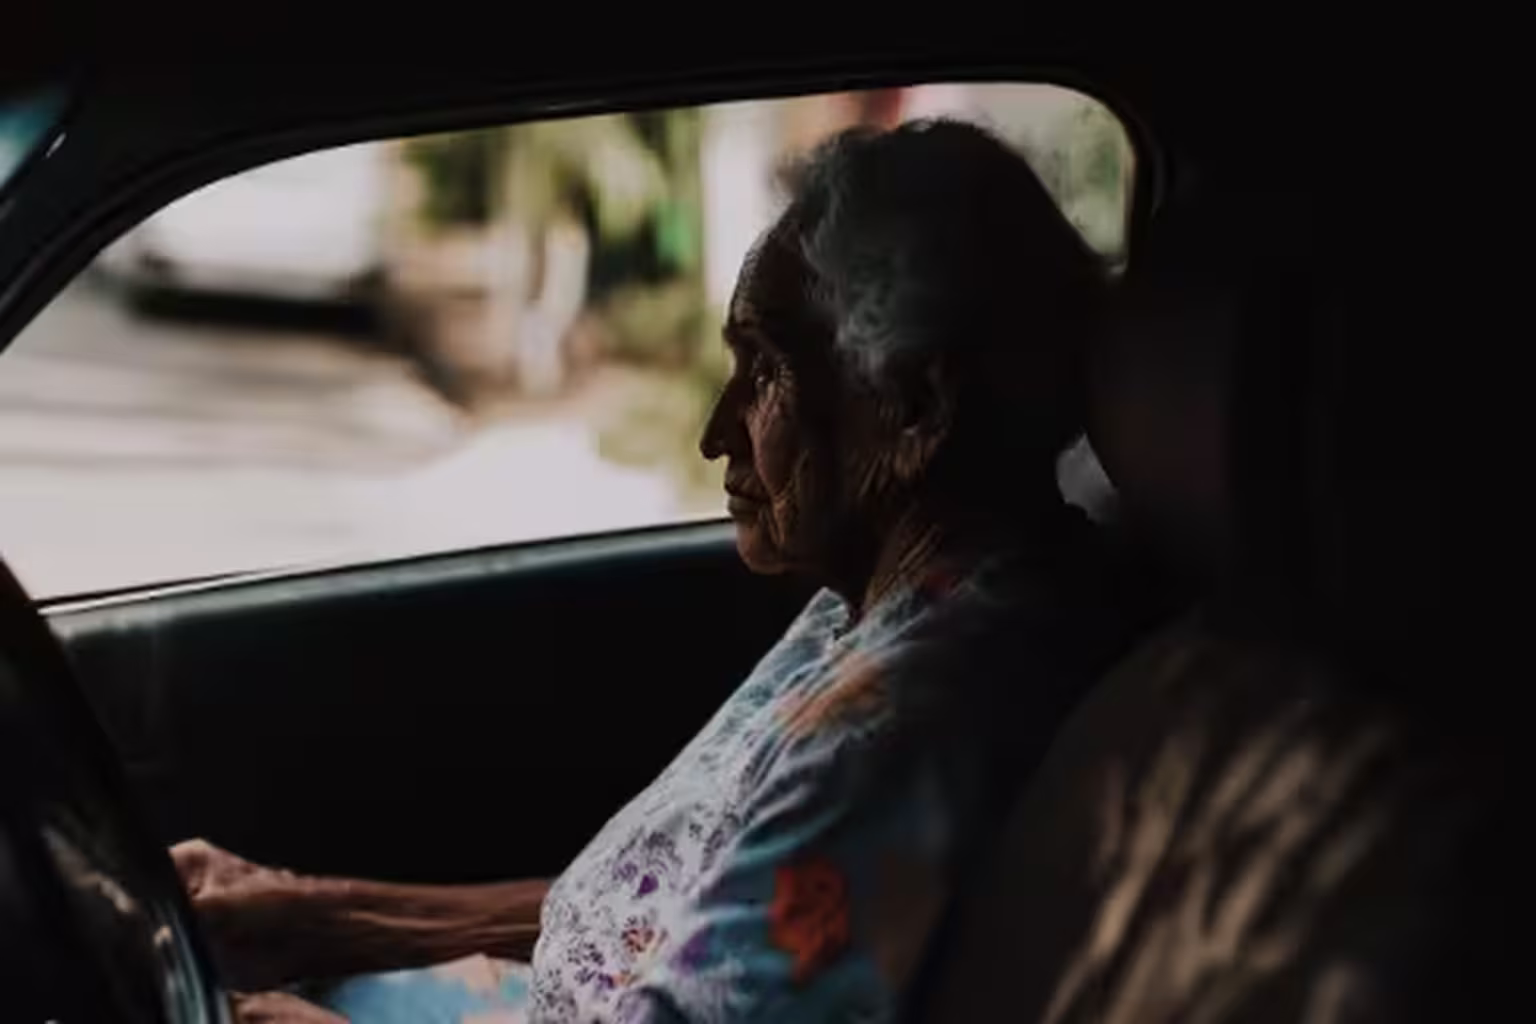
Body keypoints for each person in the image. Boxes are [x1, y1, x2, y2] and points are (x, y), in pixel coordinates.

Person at [175, 119, 1131, 1023]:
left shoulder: (908, 716)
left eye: (763, 370)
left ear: (916, 410)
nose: (717, 432)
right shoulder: (887, 608)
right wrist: (315, 912)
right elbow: (654, 909)